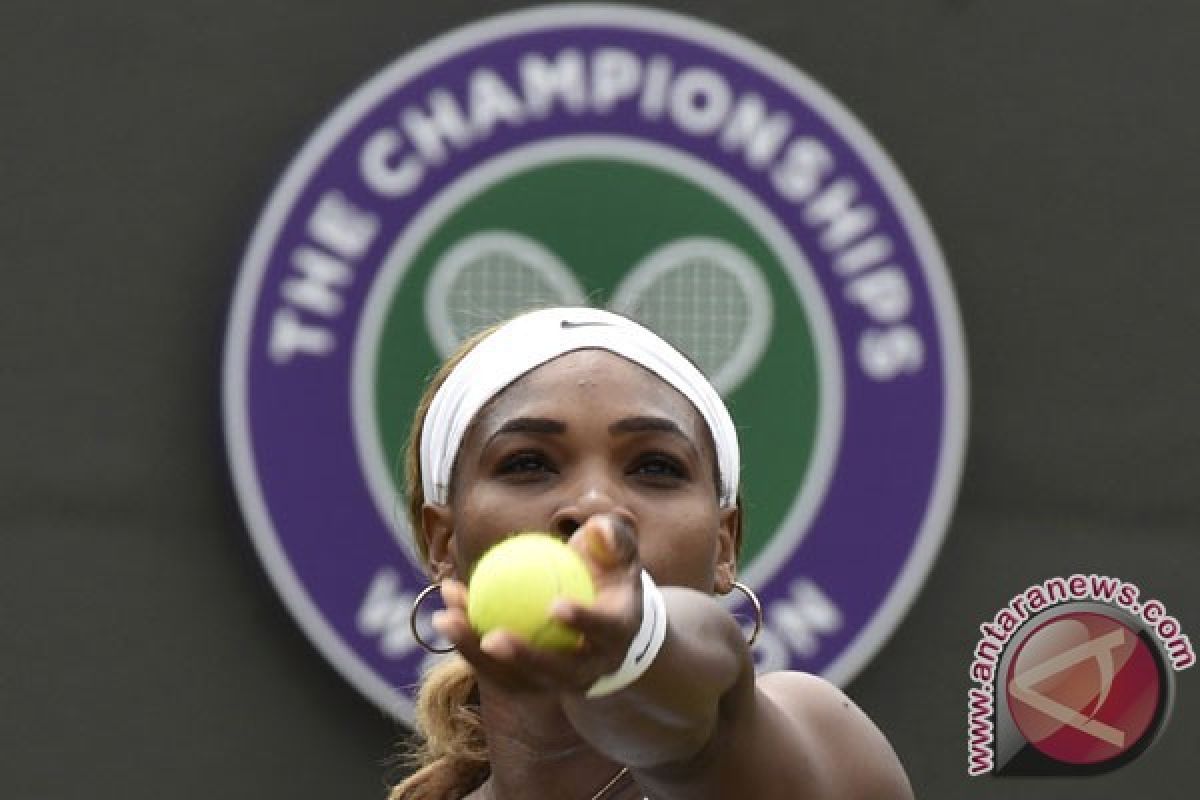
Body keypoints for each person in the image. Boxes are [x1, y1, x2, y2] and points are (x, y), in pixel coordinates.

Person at [390, 307, 913, 800]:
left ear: (724, 543)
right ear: (442, 541)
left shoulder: (831, 752)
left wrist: (639, 644)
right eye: (528, 463)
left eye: (655, 468)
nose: (596, 507)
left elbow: (704, 699)